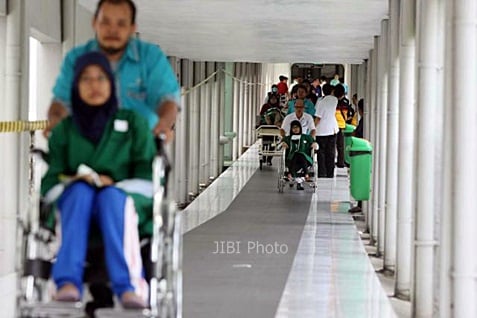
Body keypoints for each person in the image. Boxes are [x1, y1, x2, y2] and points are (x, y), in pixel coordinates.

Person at [41, 51, 155, 309]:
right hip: (75, 202)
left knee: (110, 198)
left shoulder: (133, 124)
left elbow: (148, 180)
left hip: (123, 201)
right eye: (86, 79)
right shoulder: (64, 131)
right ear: (75, 86)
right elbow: (49, 183)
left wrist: (114, 186)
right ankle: (67, 282)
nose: (94, 85)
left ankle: (126, 287)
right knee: (81, 192)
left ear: (112, 84)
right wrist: (73, 181)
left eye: (101, 78)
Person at [45, 0, 180, 143]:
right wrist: (55, 120)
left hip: (139, 148)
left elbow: (166, 99)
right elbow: (61, 101)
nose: (112, 30)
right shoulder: (76, 58)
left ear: (132, 28)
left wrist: (164, 124)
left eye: (121, 24)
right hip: (88, 149)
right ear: (94, 23)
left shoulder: (150, 58)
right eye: (105, 22)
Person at [282, 120, 318, 190]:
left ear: (300, 128)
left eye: (297, 127)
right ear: (291, 129)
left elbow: (315, 144)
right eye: (293, 128)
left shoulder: (306, 137)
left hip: (305, 159)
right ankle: (306, 174)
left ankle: (290, 173)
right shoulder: (288, 138)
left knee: (300, 154)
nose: (295, 129)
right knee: (296, 154)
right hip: (291, 159)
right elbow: (280, 145)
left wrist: (314, 144)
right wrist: (283, 144)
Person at [314, 84, 338, 178]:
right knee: (331, 152)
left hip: (321, 130)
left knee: (321, 152)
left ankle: (322, 173)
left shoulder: (321, 101)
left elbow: (318, 117)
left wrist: (313, 128)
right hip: (332, 129)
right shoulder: (334, 100)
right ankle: (330, 173)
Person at [349, 99, 364, 213]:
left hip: (362, 154)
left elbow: (357, 135)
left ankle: (361, 204)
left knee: (361, 178)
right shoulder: (365, 121)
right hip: (361, 153)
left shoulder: (364, 122)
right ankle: (360, 203)